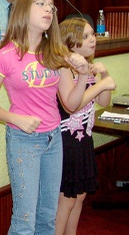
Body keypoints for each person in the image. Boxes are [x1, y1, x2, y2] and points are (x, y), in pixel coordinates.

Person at [0, 0, 90, 234]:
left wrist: (83, 75)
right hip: (24, 140)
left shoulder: (56, 52)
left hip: (54, 139)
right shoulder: (4, 56)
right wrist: (15, 118)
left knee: (48, 216)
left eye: (50, 6)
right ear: (23, 10)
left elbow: (71, 104)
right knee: (25, 220)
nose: (48, 10)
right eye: (40, 4)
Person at [55, 18, 116, 235]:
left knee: (79, 196)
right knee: (66, 199)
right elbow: (72, 105)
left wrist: (105, 76)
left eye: (93, 35)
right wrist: (100, 84)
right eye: (86, 36)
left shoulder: (88, 66)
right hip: (66, 142)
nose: (93, 40)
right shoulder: (63, 69)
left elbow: (103, 101)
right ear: (70, 42)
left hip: (84, 139)